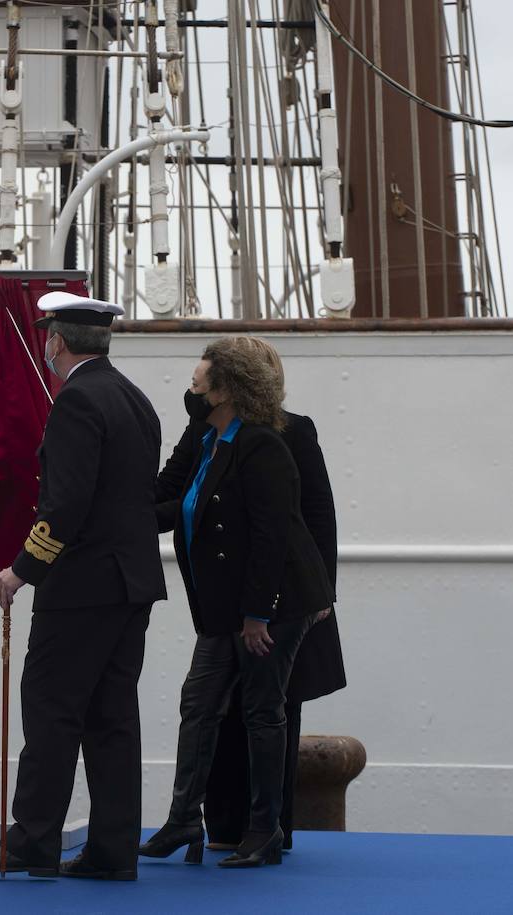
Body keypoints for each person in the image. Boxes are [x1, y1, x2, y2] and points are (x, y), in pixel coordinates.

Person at [0, 292, 166, 881]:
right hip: (130, 588)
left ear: (57, 341)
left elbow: (66, 505)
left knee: (50, 713)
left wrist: (23, 569)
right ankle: (111, 850)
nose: (45, 342)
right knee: (113, 722)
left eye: (47, 334)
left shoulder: (75, 401)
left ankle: (31, 842)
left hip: (80, 589)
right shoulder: (134, 398)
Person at [140, 337, 333, 868]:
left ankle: (264, 829)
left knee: (263, 712)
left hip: (271, 604)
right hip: (220, 606)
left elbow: (276, 536)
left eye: (198, 384)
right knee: (198, 703)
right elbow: (177, 501)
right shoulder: (208, 438)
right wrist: (109, 518)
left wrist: (257, 614)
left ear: (226, 390)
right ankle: (184, 820)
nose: (190, 391)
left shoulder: (263, 444)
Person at [202, 337, 345, 853]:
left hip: (284, 598)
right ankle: (222, 823)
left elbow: (317, 514)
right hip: (227, 595)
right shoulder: (211, 428)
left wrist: (322, 593)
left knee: (276, 704)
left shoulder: (294, 431)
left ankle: (269, 824)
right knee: (222, 706)